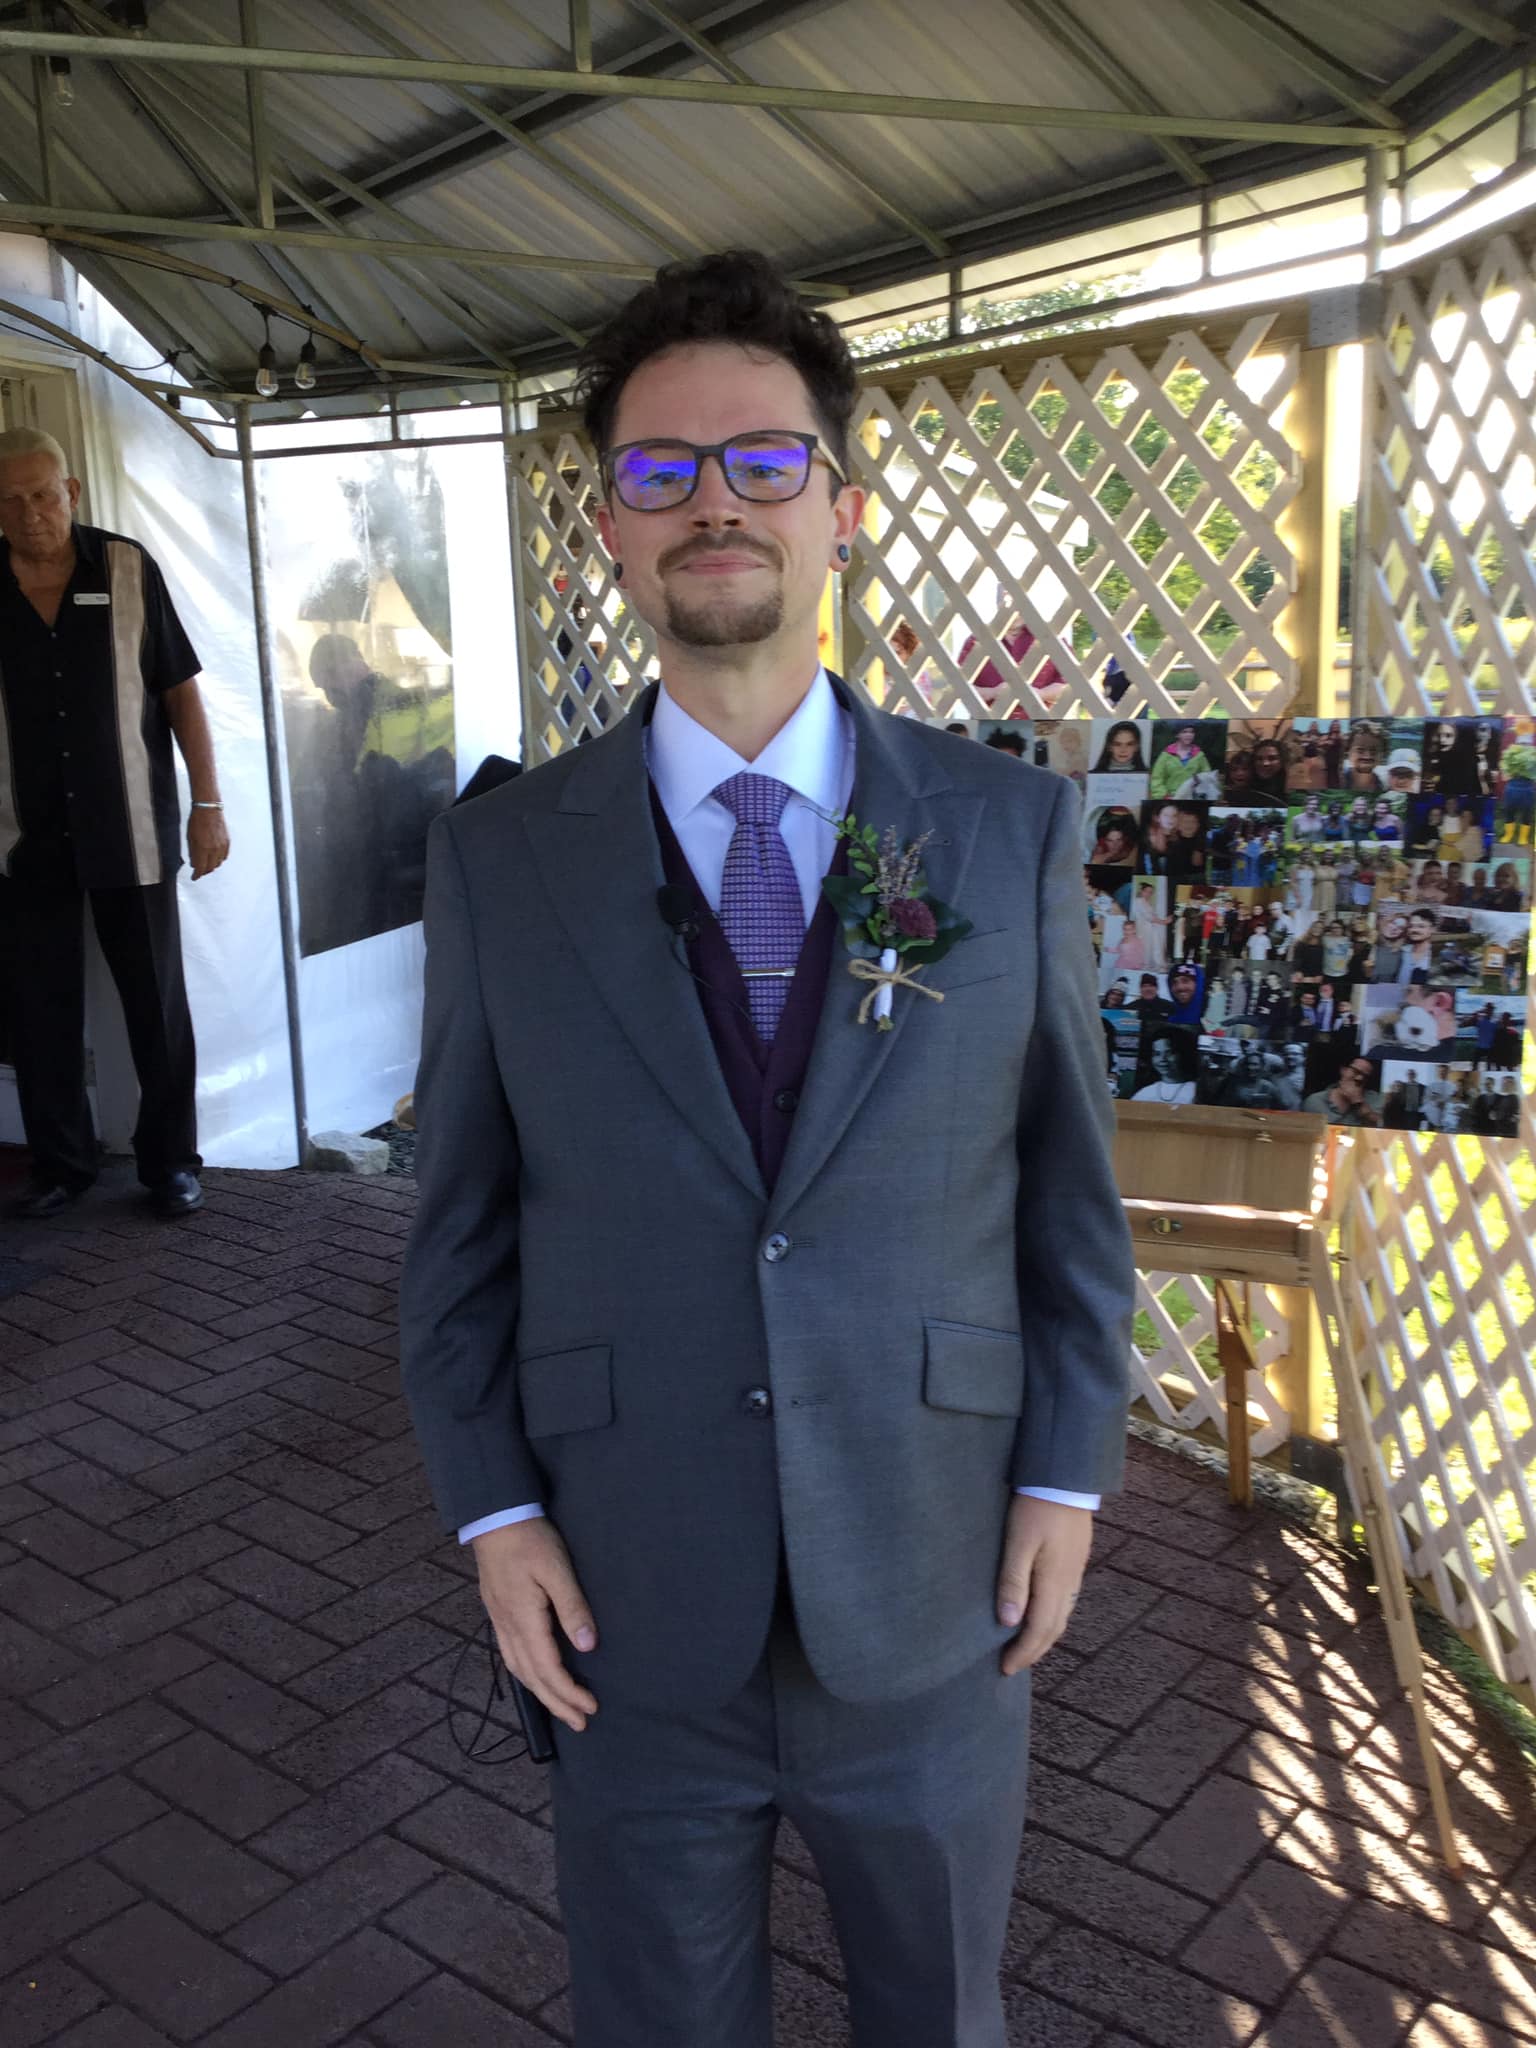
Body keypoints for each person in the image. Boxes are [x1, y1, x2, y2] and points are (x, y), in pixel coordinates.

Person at [397, 251, 1133, 2048]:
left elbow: (1067, 1197)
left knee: (940, 2015)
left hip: (936, 1571)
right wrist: (493, 1509)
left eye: (763, 460)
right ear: (608, 525)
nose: (712, 501)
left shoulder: (1004, 828)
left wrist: (1066, 1476)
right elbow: (460, 1224)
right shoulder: (501, 858)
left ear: (842, 509)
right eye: (660, 469)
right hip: (625, 1587)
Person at [0, 429, 227, 1219]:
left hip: (130, 825)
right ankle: (62, 1166)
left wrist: (207, 807)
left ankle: (171, 1166)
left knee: (156, 1004)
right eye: (11, 500)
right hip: (20, 838)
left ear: (72, 492)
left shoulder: (127, 567)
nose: (30, 513)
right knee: (39, 1008)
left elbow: (180, 692)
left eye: (42, 494)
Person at [1304, 1057, 1383, 1126]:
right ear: (1343, 1070)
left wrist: (1359, 1103)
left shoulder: (1374, 1099)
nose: (1360, 1078)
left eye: (1365, 1076)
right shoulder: (1315, 1101)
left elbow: (1381, 1129)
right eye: (1356, 1071)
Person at [1132, 1025, 1197, 1103]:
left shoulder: (1196, 1091)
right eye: (1157, 1054)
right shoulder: (1145, 1093)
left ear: (1183, 1054)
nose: (1162, 1059)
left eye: (1169, 1053)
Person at [1149, 724, 1212, 799]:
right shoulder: (1165, 755)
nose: (1189, 735)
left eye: (1191, 732)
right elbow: (1157, 779)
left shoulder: (1199, 755)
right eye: (1184, 732)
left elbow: (1208, 777)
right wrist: (1165, 796)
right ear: (1177, 735)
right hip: (1171, 798)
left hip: (1193, 798)